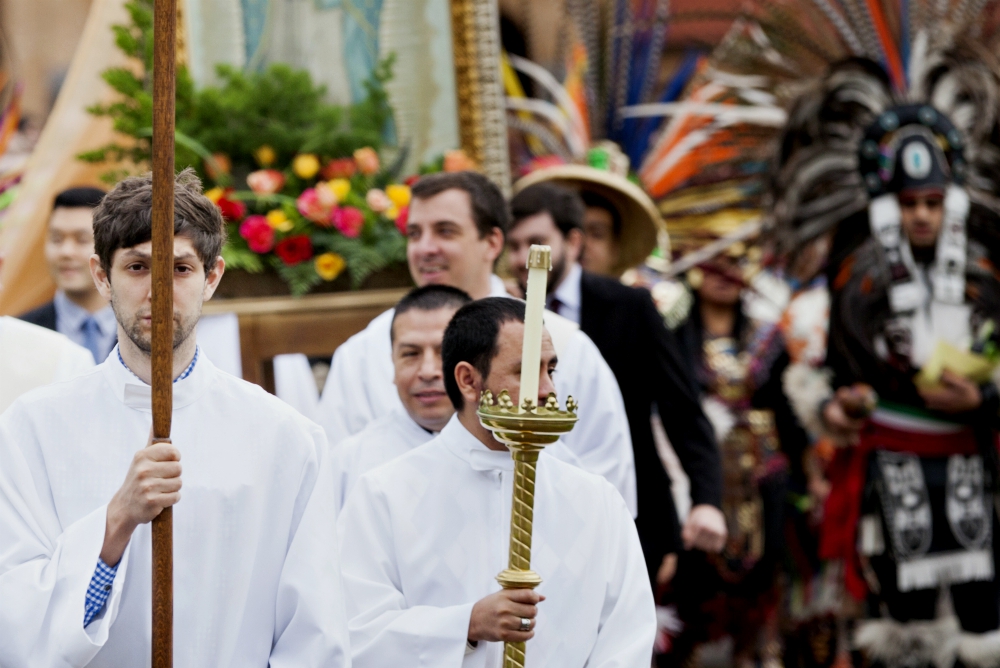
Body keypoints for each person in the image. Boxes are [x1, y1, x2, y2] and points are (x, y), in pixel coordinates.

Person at [0, 170, 349, 666]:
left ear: (213, 277)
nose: (159, 291)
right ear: (102, 276)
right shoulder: (31, 430)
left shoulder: (286, 437)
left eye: (180, 269)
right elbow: (16, 620)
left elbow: (314, 635)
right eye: (138, 267)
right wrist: (115, 523)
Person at [338, 297, 656, 667]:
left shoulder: (595, 499)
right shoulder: (384, 495)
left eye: (550, 370)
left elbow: (627, 635)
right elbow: (355, 632)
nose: (547, 391)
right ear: (469, 381)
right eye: (524, 372)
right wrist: (466, 625)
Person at [317, 170, 637, 515]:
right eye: (415, 233)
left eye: (445, 231)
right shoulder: (363, 353)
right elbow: (335, 484)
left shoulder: (563, 345)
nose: (425, 248)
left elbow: (607, 485)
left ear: (493, 243)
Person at [821, 105, 1000, 665]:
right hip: (893, 463)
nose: (922, 216)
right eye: (909, 204)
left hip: (974, 458)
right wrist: (840, 408)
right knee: (904, 615)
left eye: (932, 202)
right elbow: (832, 375)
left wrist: (984, 399)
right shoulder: (857, 279)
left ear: (951, 205)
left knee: (985, 617)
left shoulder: (987, 274)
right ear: (888, 207)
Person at [507, 182, 726, 585]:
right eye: (514, 245)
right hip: (539, 521)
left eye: (536, 243)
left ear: (573, 242)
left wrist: (706, 500)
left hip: (636, 510)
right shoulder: (504, 318)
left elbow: (682, 409)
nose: (523, 259)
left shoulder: (630, 306)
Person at [660, 247, 810, 668]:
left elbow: (786, 407)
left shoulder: (767, 336)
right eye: (715, 258)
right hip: (695, 470)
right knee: (693, 577)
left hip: (761, 475)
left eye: (737, 259)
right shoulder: (672, 332)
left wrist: (809, 470)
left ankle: (754, 652)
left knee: (764, 571)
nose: (725, 272)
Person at [333, 284, 471, 508]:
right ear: (392, 361)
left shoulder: (514, 451)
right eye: (410, 354)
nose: (428, 371)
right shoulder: (348, 464)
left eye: (445, 352)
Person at [18, 187, 117, 364]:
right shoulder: (22, 333)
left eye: (82, 239)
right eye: (56, 239)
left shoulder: (147, 327)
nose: (66, 252)